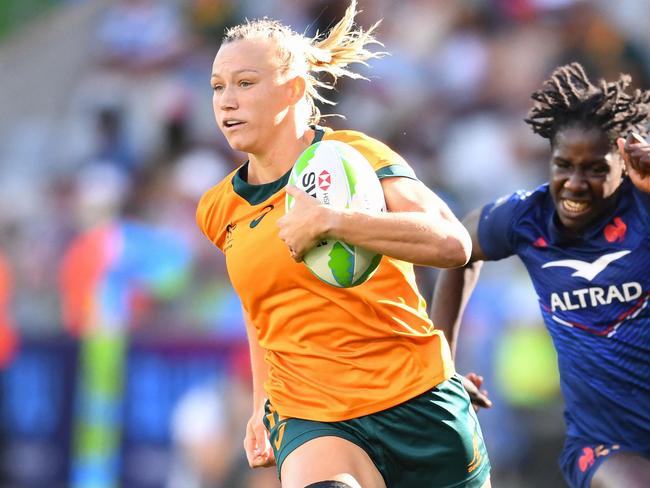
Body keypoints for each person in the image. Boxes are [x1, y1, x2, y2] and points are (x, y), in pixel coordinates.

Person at [196, 1, 492, 487]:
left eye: (245, 83)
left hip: (417, 403)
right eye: (217, 87)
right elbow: (261, 307)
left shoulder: (355, 156)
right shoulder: (218, 207)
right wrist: (259, 404)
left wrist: (333, 222)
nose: (226, 101)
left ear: (292, 89)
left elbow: (452, 243)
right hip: (312, 417)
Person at [431, 62, 650, 488]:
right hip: (603, 443)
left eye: (596, 169)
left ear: (624, 164)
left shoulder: (643, 208)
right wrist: (440, 367)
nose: (575, 183)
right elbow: (456, 248)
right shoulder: (526, 218)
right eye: (563, 165)